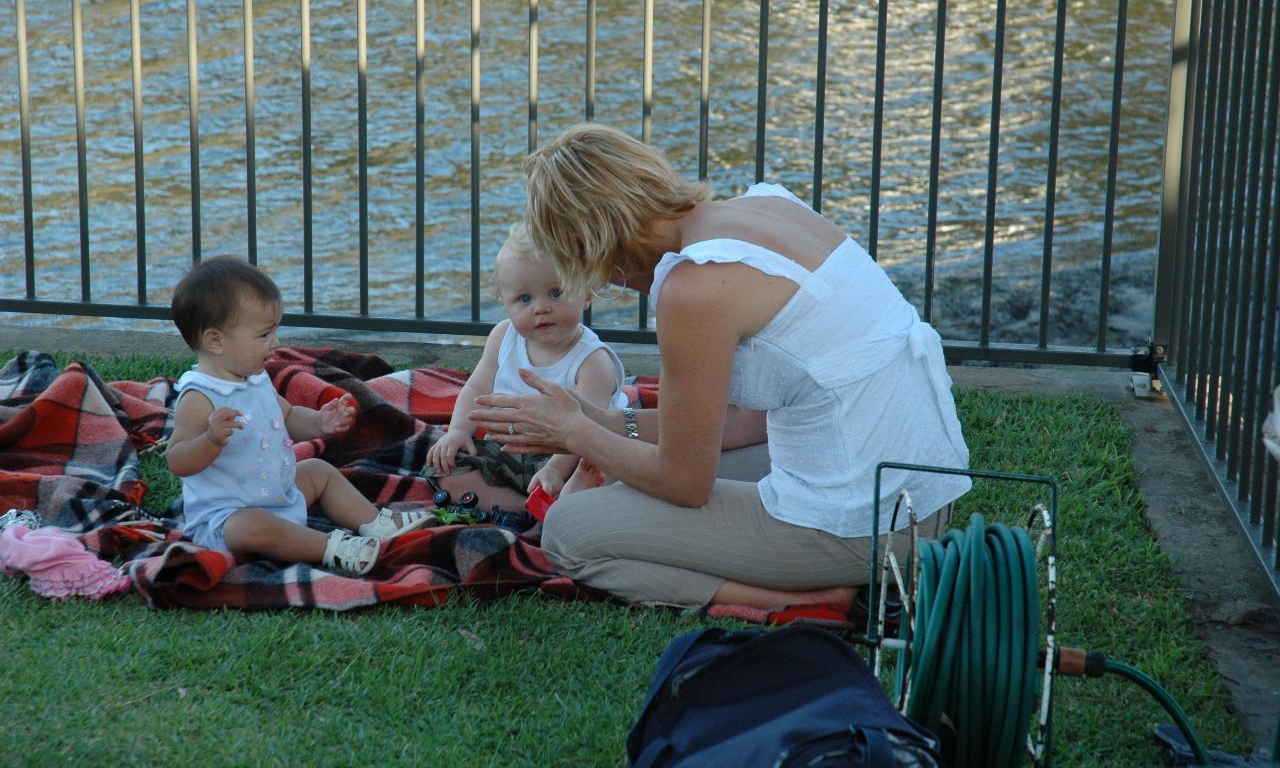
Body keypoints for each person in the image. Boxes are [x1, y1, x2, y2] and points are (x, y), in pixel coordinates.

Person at [469, 123, 971, 611]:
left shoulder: (695, 287)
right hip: (920, 497)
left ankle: (805, 595)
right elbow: (746, 421)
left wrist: (576, 433)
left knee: (569, 531)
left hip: (867, 527)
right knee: (622, 481)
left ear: (591, 244)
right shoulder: (766, 205)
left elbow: (685, 483)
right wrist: (604, 423)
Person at [166, 256, 434, 575]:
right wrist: (210, 440)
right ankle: (331, 547)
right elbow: (177, 460)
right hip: (228, 519)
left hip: (280, 494)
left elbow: (289, 416)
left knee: (318, 470)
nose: (275, 343)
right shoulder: (200, 396)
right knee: (249, 526)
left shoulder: (255, 378)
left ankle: (375, 523)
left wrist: (320, 422)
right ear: (216, 340)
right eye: (263, 335)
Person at [426, 222, 630, 502]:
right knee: (445, 465)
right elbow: (476, 389)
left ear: (586, 294)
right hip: (509, 448)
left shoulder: (593, 362)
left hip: (569, 452)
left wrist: (556, 470)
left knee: (604, 473)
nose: (540, 307)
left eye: (556, 293)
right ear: (504, 303)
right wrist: (459, 431)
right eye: (524, 298)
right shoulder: (503, 337)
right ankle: (525, 510)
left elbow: (588, 430)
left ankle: (548, 505)